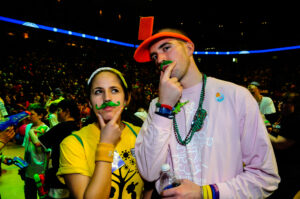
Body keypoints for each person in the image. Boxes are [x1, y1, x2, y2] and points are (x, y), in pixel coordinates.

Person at [133, 28, 280, 198]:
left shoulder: (236, 96)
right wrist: (164, 108)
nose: (160, 59)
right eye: (154, 56)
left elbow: (265, 177)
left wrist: (207, 193)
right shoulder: (156, 107)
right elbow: (148, 172)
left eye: (166, 48)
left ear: (189, 48)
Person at [57, 67, 152, 199]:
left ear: (126, 99)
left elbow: (149, 186)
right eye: (98, 92)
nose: (107, 98)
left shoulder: (140, 135)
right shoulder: (73, 144)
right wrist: (106, 144)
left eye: (114, 90)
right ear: (90, 102)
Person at [38, 99, 80, 199]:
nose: (57, 113)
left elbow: (42, 144)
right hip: (77, 177)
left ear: (67, 112)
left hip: (59, 177)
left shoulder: (59, 128)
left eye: (59, 110)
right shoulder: (80, 128)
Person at [267, 91, 300, 199]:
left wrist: (262, 132)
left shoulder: (296, 121)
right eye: (281, 101)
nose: (281, 104)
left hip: (290, 171)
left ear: (294, 105)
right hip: (277, 168)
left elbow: (279, 143)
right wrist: (266, 124)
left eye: (286, 102)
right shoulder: (281, 116)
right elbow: (262, 116)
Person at [22, 103, 49, 199]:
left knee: (43, 196)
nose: (29, 117)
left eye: (32, 114)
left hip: (40, 171)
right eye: (29, 114)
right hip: (28, 170)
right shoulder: (28, 127)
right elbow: (26, 147)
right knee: (29, 195)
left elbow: (48, 151)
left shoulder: (46, 129)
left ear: (40, 116)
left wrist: (46, 171)